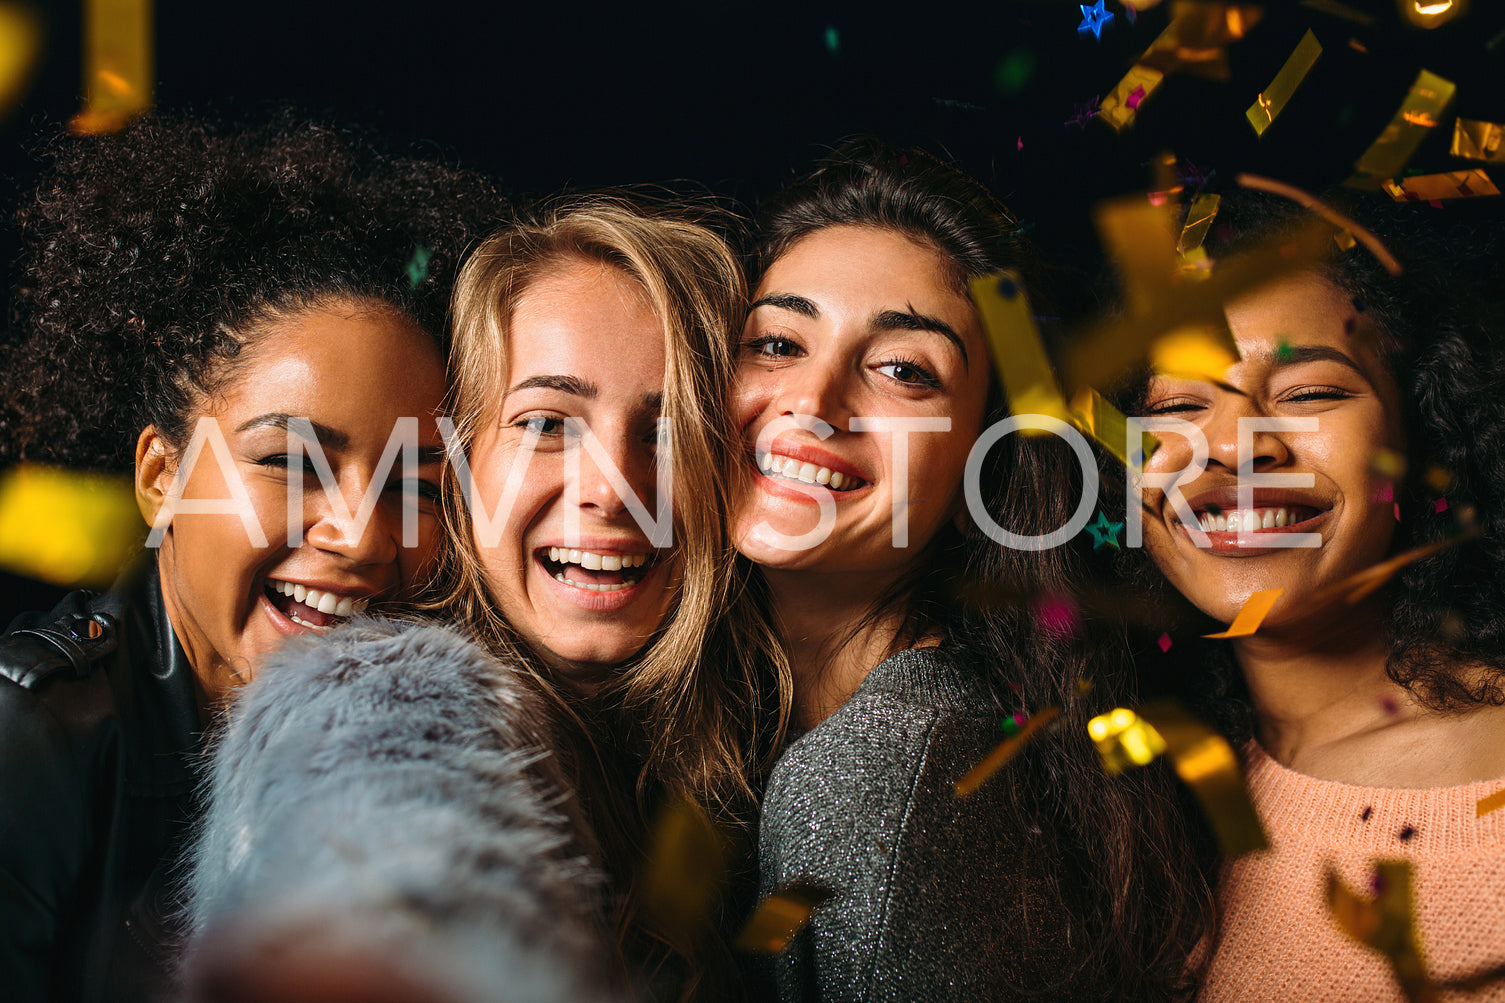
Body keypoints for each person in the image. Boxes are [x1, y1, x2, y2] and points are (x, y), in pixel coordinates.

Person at [184, 196, 788, 1002]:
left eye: (668, 427)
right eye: (545, 421)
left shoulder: (737, 755)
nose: (613, 489)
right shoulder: (377, 697)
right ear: (458, 467)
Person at [0, 112, 499, 1003]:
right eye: (290, 462)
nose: (362, 533)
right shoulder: (30, 746)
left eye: (415, 484)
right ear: (162, 479)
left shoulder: (422, 753)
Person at [734, 138, 1215, 1001]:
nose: (812, 399)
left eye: (902, 369)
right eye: (776, 342)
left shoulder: (876, 776)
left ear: (978, 473)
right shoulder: (771, 731)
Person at [1129, 191, 1505, 1000]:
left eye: (1307, 394)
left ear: (1420, 436)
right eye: (1175, 407)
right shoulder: (1143, 794)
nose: (1233, 446)